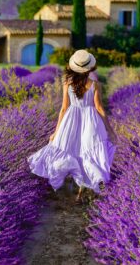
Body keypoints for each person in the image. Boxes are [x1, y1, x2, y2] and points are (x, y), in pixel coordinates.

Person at [28, 49, 117, 203]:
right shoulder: (95, 84)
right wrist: (110, 130)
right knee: (88, 152)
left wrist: (56, 132)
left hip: (71, 119)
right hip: (90, 121)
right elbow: (100, 108)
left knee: (71, 151)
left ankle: (75, 187)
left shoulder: (67, 83)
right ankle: (83, 189)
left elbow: (63, 108)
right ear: (90, 68)